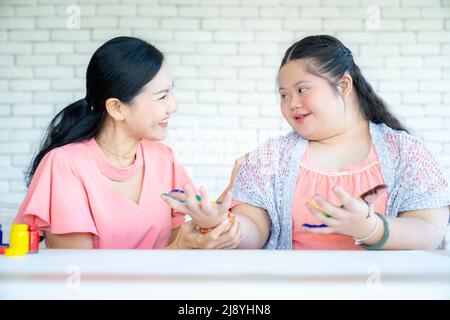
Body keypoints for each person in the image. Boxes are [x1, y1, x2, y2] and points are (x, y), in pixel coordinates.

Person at [164, 35, 450, 250]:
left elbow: (430, 231)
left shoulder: (406, 152)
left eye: (302, 90)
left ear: (344, 86)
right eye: (284, 94)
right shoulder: (270, 157)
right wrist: (222, 226)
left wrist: (372, 228)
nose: (292, 104)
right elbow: (254, 229)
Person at [13, 36, 241, 250]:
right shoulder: (64, 165)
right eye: (162, 97)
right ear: (117, 108)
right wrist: (178, 248)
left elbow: (177, 241)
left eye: (171, 92)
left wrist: (216, 215)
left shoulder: (164, 158)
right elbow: (77, 272)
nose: (173, 106)